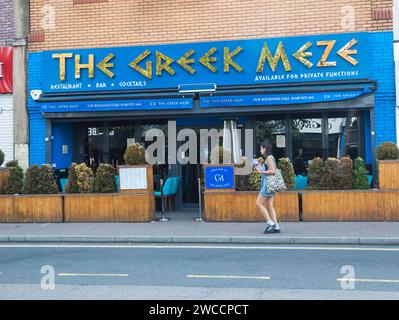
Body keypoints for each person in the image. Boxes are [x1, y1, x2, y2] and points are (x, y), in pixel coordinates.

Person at [255, 141, 281, 233]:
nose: (260, 150)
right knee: (270, 206)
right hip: (271, 184)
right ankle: (276, 226)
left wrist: (261, 172)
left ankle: (270, 223)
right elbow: (269, 170)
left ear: (265, 148)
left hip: (268, 184)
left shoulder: (269, 158)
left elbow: (273, 171)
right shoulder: (270, 158)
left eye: (261, 148)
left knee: (258, 203)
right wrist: (261, 168)